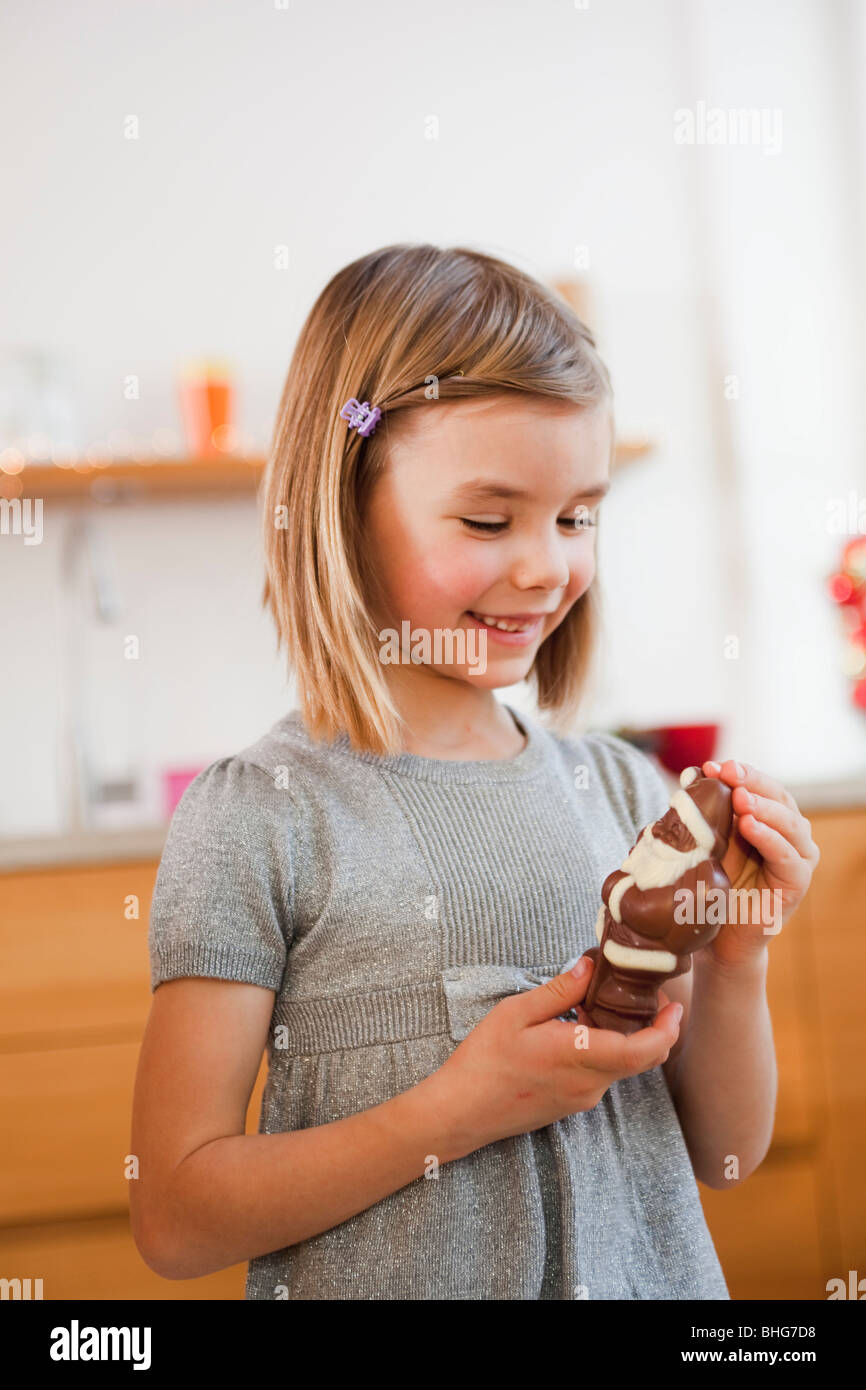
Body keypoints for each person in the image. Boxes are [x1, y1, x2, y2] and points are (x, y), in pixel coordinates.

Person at [129, 242, 818, 1299]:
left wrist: (737, 956)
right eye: (488, 520)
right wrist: (461, 1107)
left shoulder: (624, 796)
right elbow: (176, 1218)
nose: (545, 565)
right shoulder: (262, 816)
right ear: (345, 499)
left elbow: (720, 1156)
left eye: (575, 516)